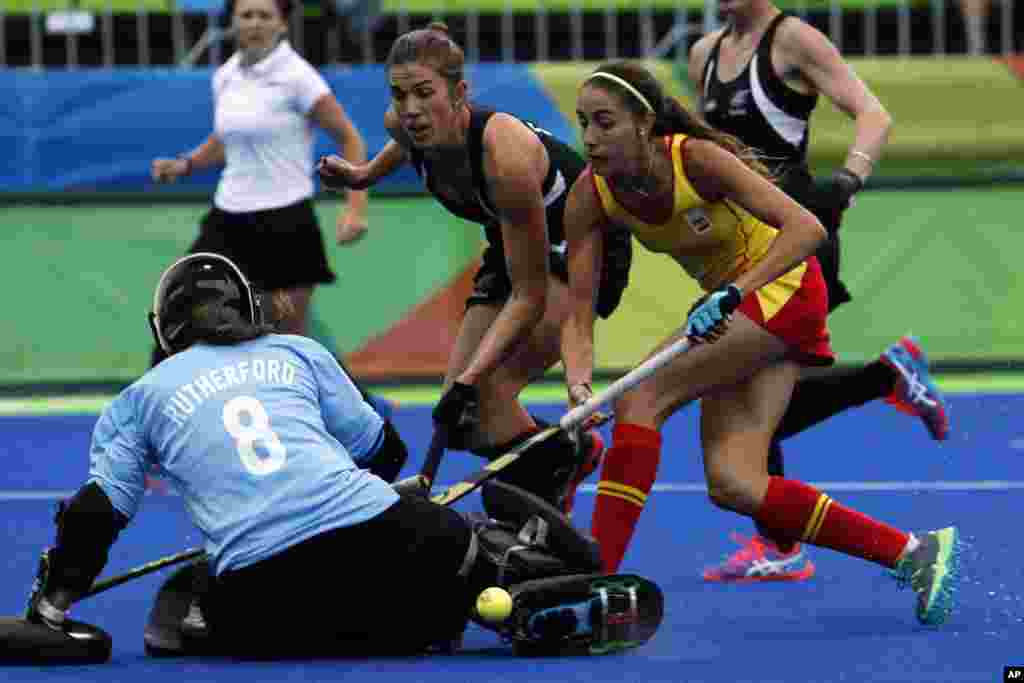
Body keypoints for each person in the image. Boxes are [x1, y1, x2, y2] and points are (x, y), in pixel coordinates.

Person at [21, 253, 659, 659]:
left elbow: (96, 512)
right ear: (246, 309)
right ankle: (509, 585)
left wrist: (52, 603)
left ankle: (407, 621)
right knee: (449, 539)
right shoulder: (298, 352)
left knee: (197, 614)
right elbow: (384, 452)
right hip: (392, 541)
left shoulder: (136, 401)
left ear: (162, 332)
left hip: (262, 594)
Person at [561, 61, 959, 626]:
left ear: (644, 124)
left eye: (605, 122)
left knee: (640, 399)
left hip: (784, 287)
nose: (591, 138)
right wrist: (578, 385)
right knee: (735, 483)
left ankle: (597, 585)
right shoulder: (591, 195)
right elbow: (577, 312)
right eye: (583, 123)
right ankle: (913, 553)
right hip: (738, 307)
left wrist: (733, 292)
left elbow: (806, 229)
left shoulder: (694, 160)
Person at [317, 23, 634, 513]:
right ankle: (564, 455)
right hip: (513, 245)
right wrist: (362, 176)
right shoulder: (404, 124)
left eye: (426, 93)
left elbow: (529, 296)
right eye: (400, 95)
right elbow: (404, 143)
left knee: (485, 392)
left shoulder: (503, 158)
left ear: (460, 92)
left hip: (581, 251)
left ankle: (548, 495)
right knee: (460, 420)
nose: (411, 109)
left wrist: (471, 379)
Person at [686, 0, 950, 581]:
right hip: (742, 249)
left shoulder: (792, 40)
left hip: (798, 237)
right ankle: (888, 375)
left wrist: (847, 183)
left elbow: (873, 115)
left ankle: (781, 545)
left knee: (750, 410)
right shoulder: (703, 54)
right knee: (749, 405)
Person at [150, 0, 370, 349]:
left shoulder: (298, 76)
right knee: (182, 312)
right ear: (234, 22)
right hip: (227, 219)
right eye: (246, 15)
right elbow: (225, 139)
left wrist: (355, 207)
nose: (254, 23)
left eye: (264, 16)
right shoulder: (225, 75)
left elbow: (350, 138)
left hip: (286, 220)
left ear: (282, 24)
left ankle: (340, 402)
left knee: (286, 340)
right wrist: (186, 164)